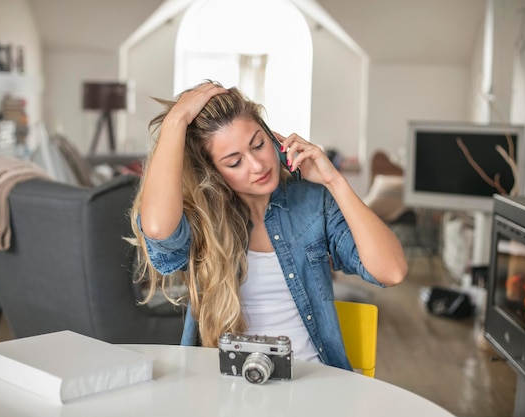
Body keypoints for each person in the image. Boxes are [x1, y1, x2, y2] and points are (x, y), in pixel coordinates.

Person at [129, 81, 407, 370]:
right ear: (214, 172)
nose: (257, 165)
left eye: (258, 144)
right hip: (225, 389)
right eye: (235, 162)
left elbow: (392, 271)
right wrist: (176, 120)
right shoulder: (203, 218)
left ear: (273, 137)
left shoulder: (312, 202)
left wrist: (334, 181)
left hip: (314, 385)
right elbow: (159, 229)